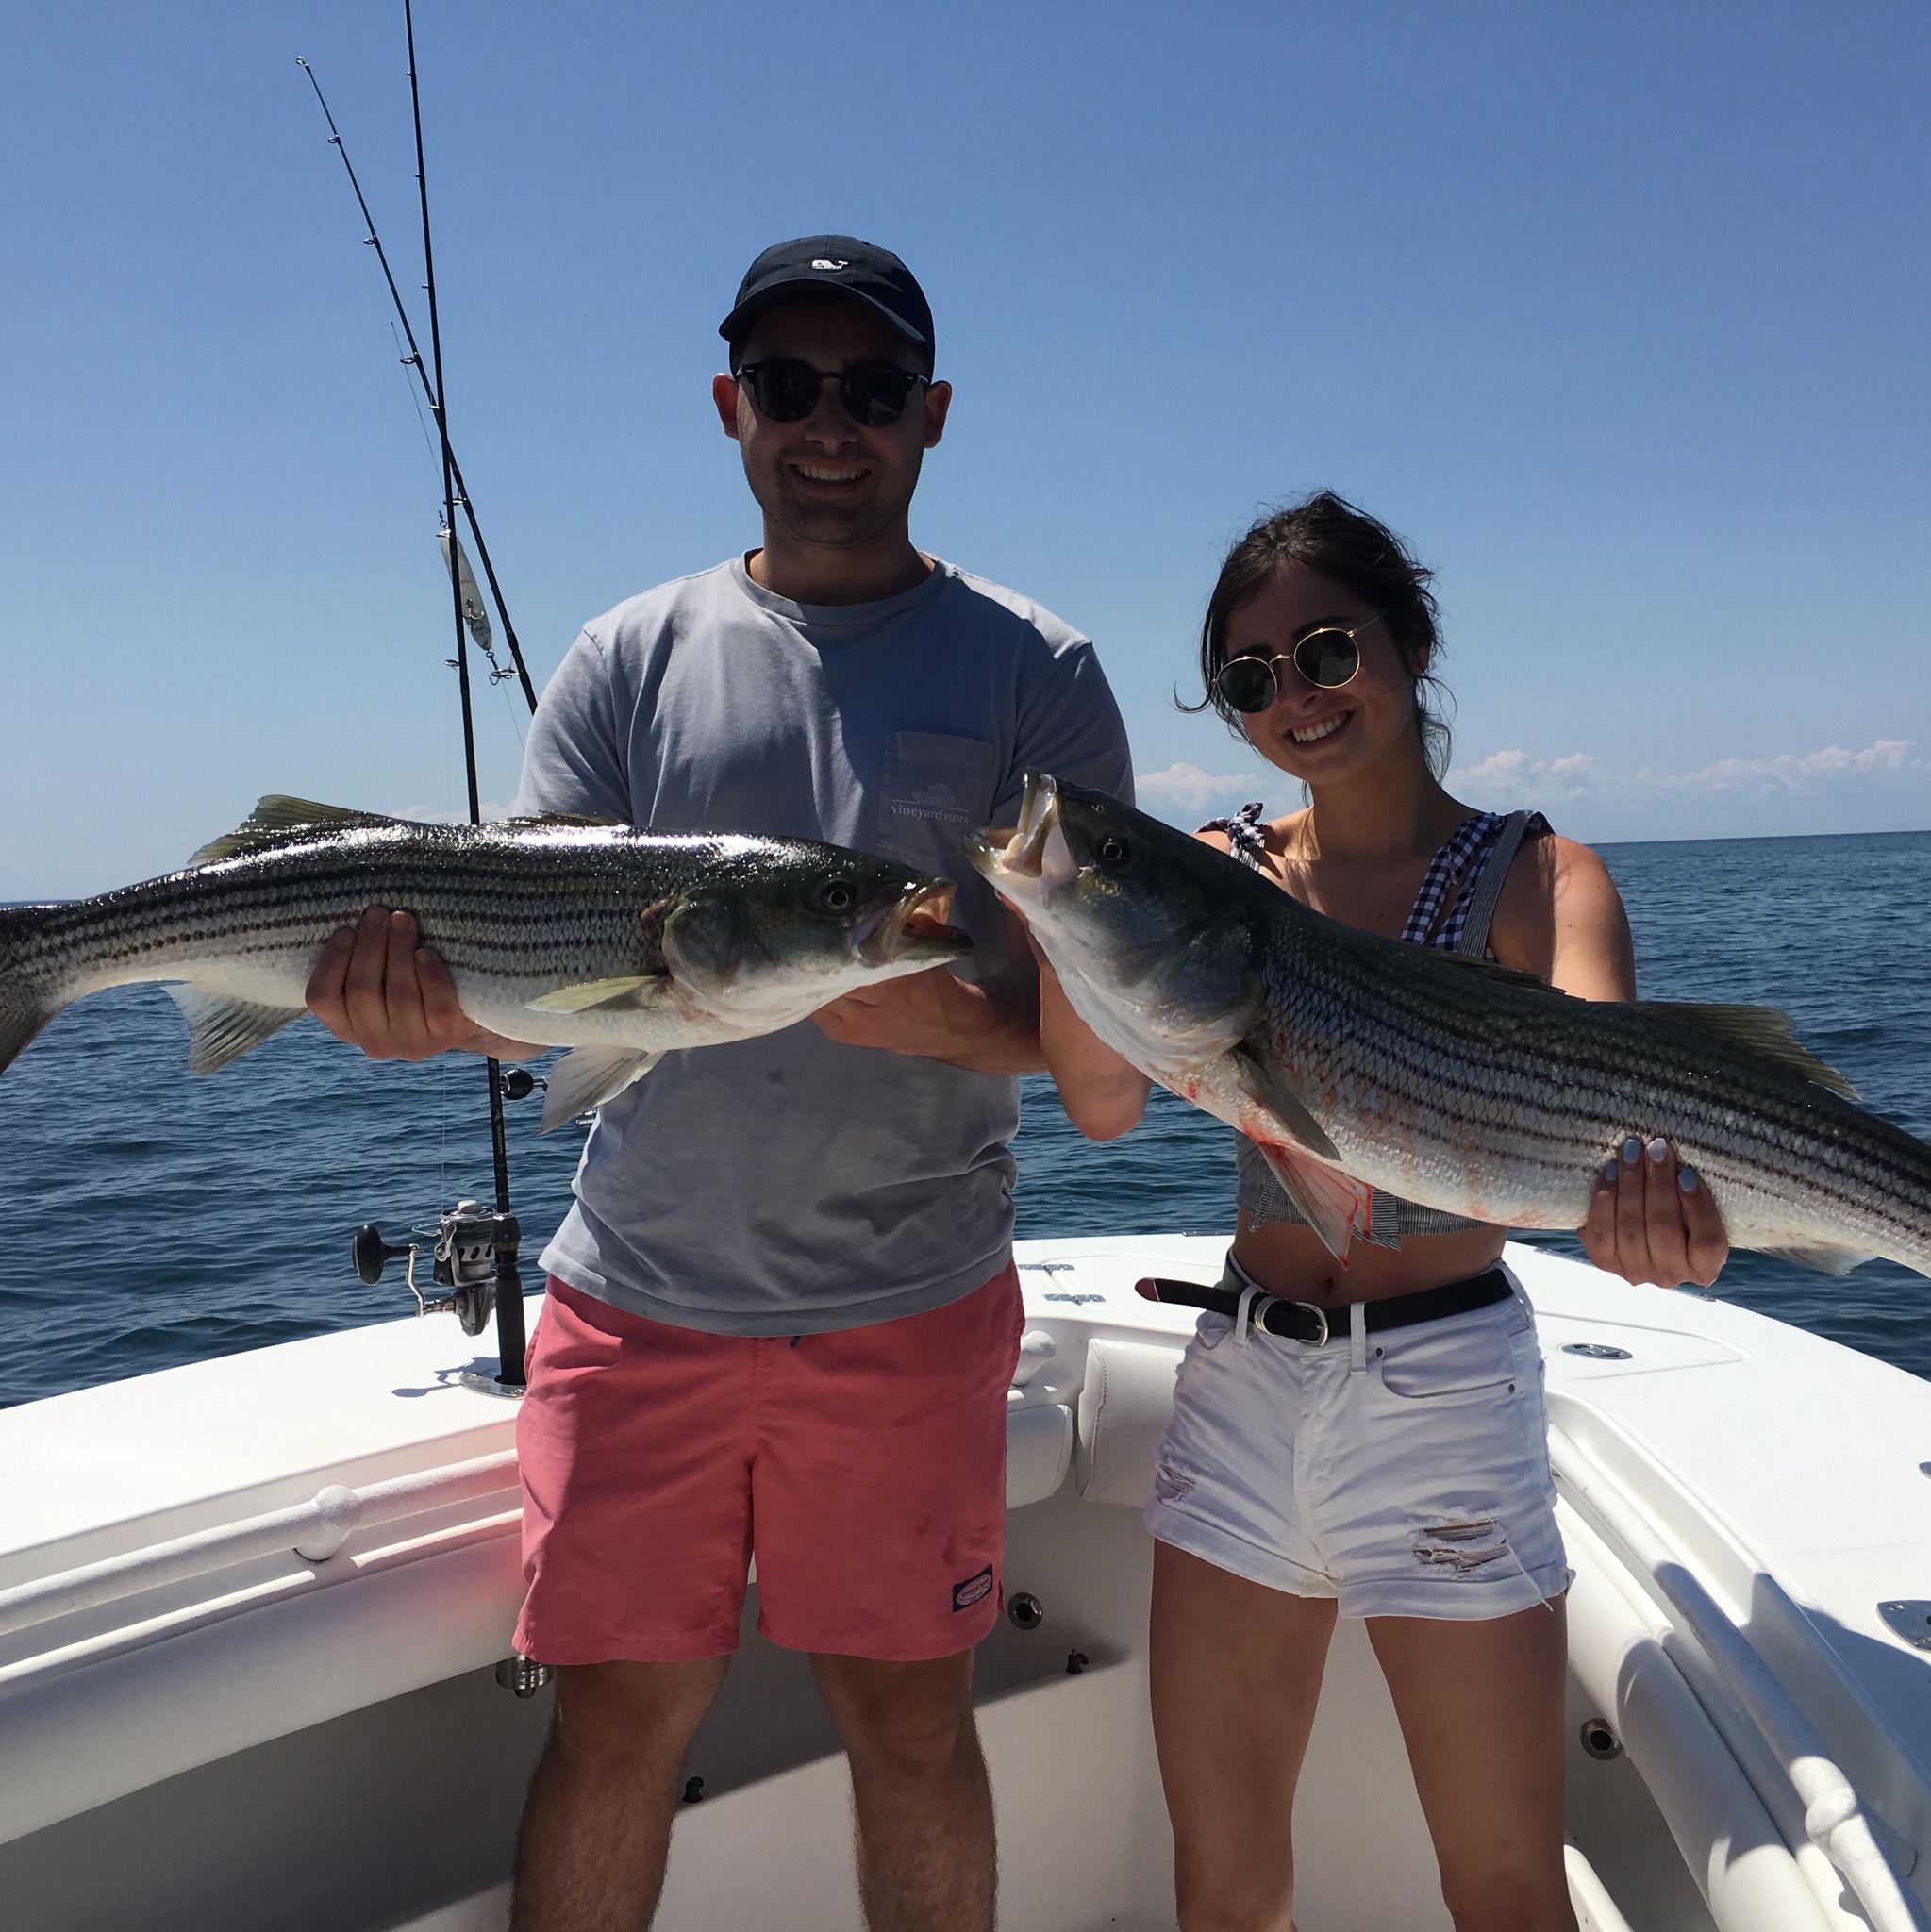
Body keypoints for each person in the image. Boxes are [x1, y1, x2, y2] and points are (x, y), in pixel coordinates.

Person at [306, 236, 1132, 1932]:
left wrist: (964, 1027)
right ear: (730, 408)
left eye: (874, 390)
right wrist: (430, 1014)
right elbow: (537, 982)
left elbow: (1104, 1024)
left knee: (911, 1725)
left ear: (935, 415)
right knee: (617, 1728)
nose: (832, 424)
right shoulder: (627, 656)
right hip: (639, 1306)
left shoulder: (1035, 670)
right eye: (791, 387)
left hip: (911, 1307)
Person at [1011, 491, 1728, 1932]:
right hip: (1241, 1400)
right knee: (1221, 1893)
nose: (1297, 697)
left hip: (1447, 1403)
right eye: (1252, 677)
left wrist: (1666, 1219)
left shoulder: (1541, 876)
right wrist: (1060, 905)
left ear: (1409, 645)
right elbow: (1098, 1098)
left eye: (1328, 650)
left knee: (1506, 1892)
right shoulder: (1218, 876)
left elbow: (1623, 1118)